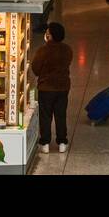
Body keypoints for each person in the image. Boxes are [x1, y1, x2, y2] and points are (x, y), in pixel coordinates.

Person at [29, 22, 73, 152]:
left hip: (46, 88)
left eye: (48, 32)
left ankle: (45, 143)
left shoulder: (43, 50)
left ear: (50, 36)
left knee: (45, 116)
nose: (46, 34)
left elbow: (36, 68)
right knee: (60, 115)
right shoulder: (67, 49)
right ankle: (62, 142)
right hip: (63, 87)